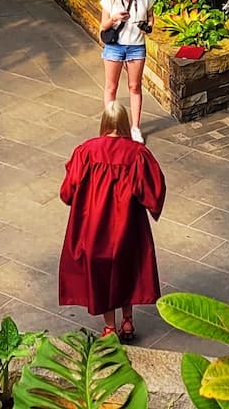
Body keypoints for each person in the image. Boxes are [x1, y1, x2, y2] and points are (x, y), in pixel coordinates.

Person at [59, 99, 166, 342]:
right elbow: (154, 190)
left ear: (104, 123)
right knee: (127, 267)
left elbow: (68, 191)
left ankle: (110, 327)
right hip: (127, 227)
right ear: (126, 124)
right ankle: (128, 321)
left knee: (103, 273)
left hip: (94, 228)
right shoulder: (138, 154)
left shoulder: (85, 151)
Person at [99, 0, 153, 138]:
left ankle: (135, 128)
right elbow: (103, 26)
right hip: (115, 45)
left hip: (136, 45)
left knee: (135, 86)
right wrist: (115, 18)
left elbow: (151, 17)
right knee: (111, 86)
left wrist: (148, 26)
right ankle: (110, 127)